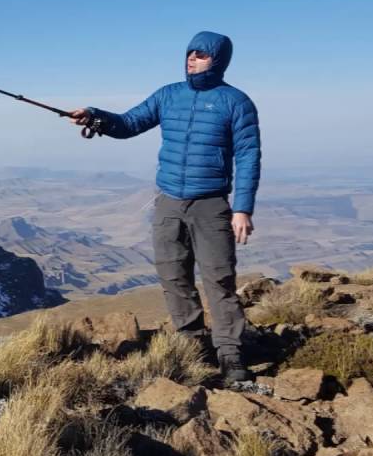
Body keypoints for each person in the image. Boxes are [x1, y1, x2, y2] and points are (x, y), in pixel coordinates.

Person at [70, 31, 261, 383]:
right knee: (173, 275)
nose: (192, 59)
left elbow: (249, 155)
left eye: (201, 54)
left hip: (210, 204)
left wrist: (242, 208)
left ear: (218, 60)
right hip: (168, 201)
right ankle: (191, 343)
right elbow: (129, 123)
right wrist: (96, 116)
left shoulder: (235, 102)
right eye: (190, 53)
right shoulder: (168, 95)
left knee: (219, 279)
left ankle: (230, 356)